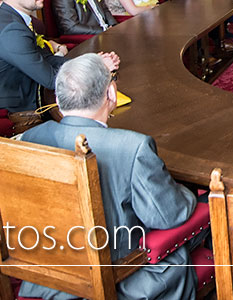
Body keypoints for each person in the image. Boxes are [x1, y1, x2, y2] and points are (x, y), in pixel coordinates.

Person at [19, 55, 204, 300]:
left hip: (50, 276)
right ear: (111, 94)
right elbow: (167, 215)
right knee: (208, 209)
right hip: (124, 274)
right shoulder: (132, 147)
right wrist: (190, 194)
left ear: (59, 101)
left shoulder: (32, 138)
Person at [0, 0, 119, 112]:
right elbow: (50, 79)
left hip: (30, 91)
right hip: (17, 108)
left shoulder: (10, 18)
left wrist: (91, 61)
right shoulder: (11, 30)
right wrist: (96, 68)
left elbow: (46, 58)